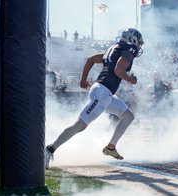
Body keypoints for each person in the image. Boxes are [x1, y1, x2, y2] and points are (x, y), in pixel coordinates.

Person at [44, 28, 144, 168]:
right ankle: (49, 149)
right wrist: (131, 80)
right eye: (138, 42)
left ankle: (110, 147)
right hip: (103, 93)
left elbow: (91, 60)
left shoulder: (114, 48)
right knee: (80, 125)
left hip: (105, 93)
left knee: (128, 116)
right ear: (133, 40)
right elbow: (118, 70)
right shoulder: (129, 49)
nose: (139, 46)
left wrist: (83, 79)